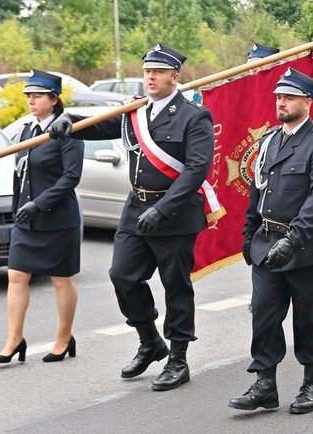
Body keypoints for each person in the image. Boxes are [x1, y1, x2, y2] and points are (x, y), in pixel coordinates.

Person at [50, 43, 214, 391]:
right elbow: (97, 126)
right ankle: (150, 341)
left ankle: (178, 359)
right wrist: (69, 121)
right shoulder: (136, 112)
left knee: (175, 286)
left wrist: (163, 209)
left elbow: (197, 169)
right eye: (147, 71)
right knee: (122, 275)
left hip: (174, 214)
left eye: (158, 72)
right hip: (136, 208)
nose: (150, 77)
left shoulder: (194, 116)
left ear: (174, 77)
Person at [228, 67, 313, 414]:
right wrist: (249, 233)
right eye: (278, 96)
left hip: (305, 247)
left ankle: (311, 382)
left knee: (307, 317)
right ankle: (265, 384)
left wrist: (292, 240)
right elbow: (258, 190)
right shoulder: (270, 140)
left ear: (307, 102)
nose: (281, 102)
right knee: (263, 314)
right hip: (266, 243)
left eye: (289, 97)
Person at [0, 70, 83, 364]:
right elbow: (21, 175)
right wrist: (21, 206)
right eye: (29, 96)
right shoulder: (28, 130)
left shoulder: (68, 130)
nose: (31, 101)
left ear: (54, 100)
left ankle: (64, 337)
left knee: (61, 280)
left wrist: (39, 205)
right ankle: (14, 339)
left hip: (58, 219)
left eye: (38, 96)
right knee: (16, 275)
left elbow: (71, 177)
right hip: (27, 218)